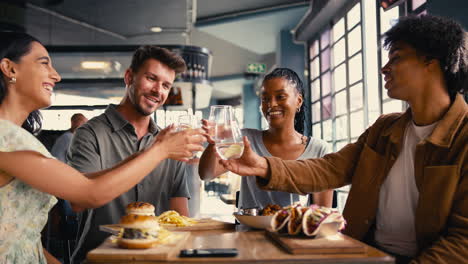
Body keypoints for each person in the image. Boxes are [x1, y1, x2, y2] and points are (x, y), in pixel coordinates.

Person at [219, 15, 467, 264]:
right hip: (368, 254)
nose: (384, 68)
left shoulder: (463, 138)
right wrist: (262, 165)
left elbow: (462, 241)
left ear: (431, 64)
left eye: (397, 57)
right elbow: (329, 169)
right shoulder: (385, 129)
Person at [0, 32, 205, 264]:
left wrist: (158, 148)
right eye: (44, 63)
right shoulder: (8, 140)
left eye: (166, 85)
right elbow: (88, 193)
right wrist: (159, 151)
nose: (56, 76)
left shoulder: (20, 139)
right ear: (9, 68)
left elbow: (23, 242)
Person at [67, 45, 196, 263]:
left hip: (158, 258)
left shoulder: (170, 142)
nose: (158, 90)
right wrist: (156, 152)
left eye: (166, 85)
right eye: (151, 78)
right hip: (100, 258)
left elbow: (179, 218)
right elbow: (78, 201)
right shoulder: (89, 134)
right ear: (129, 77)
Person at [199, 68, 334, 209]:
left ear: (298, 101)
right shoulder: (245, 140)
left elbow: (323, 211)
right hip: (247, 230)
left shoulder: (318, 149)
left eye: (280, 96)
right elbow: (206, 174)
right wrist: (215, 142)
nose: (271, 104)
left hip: (293, 230)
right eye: (265, 99)